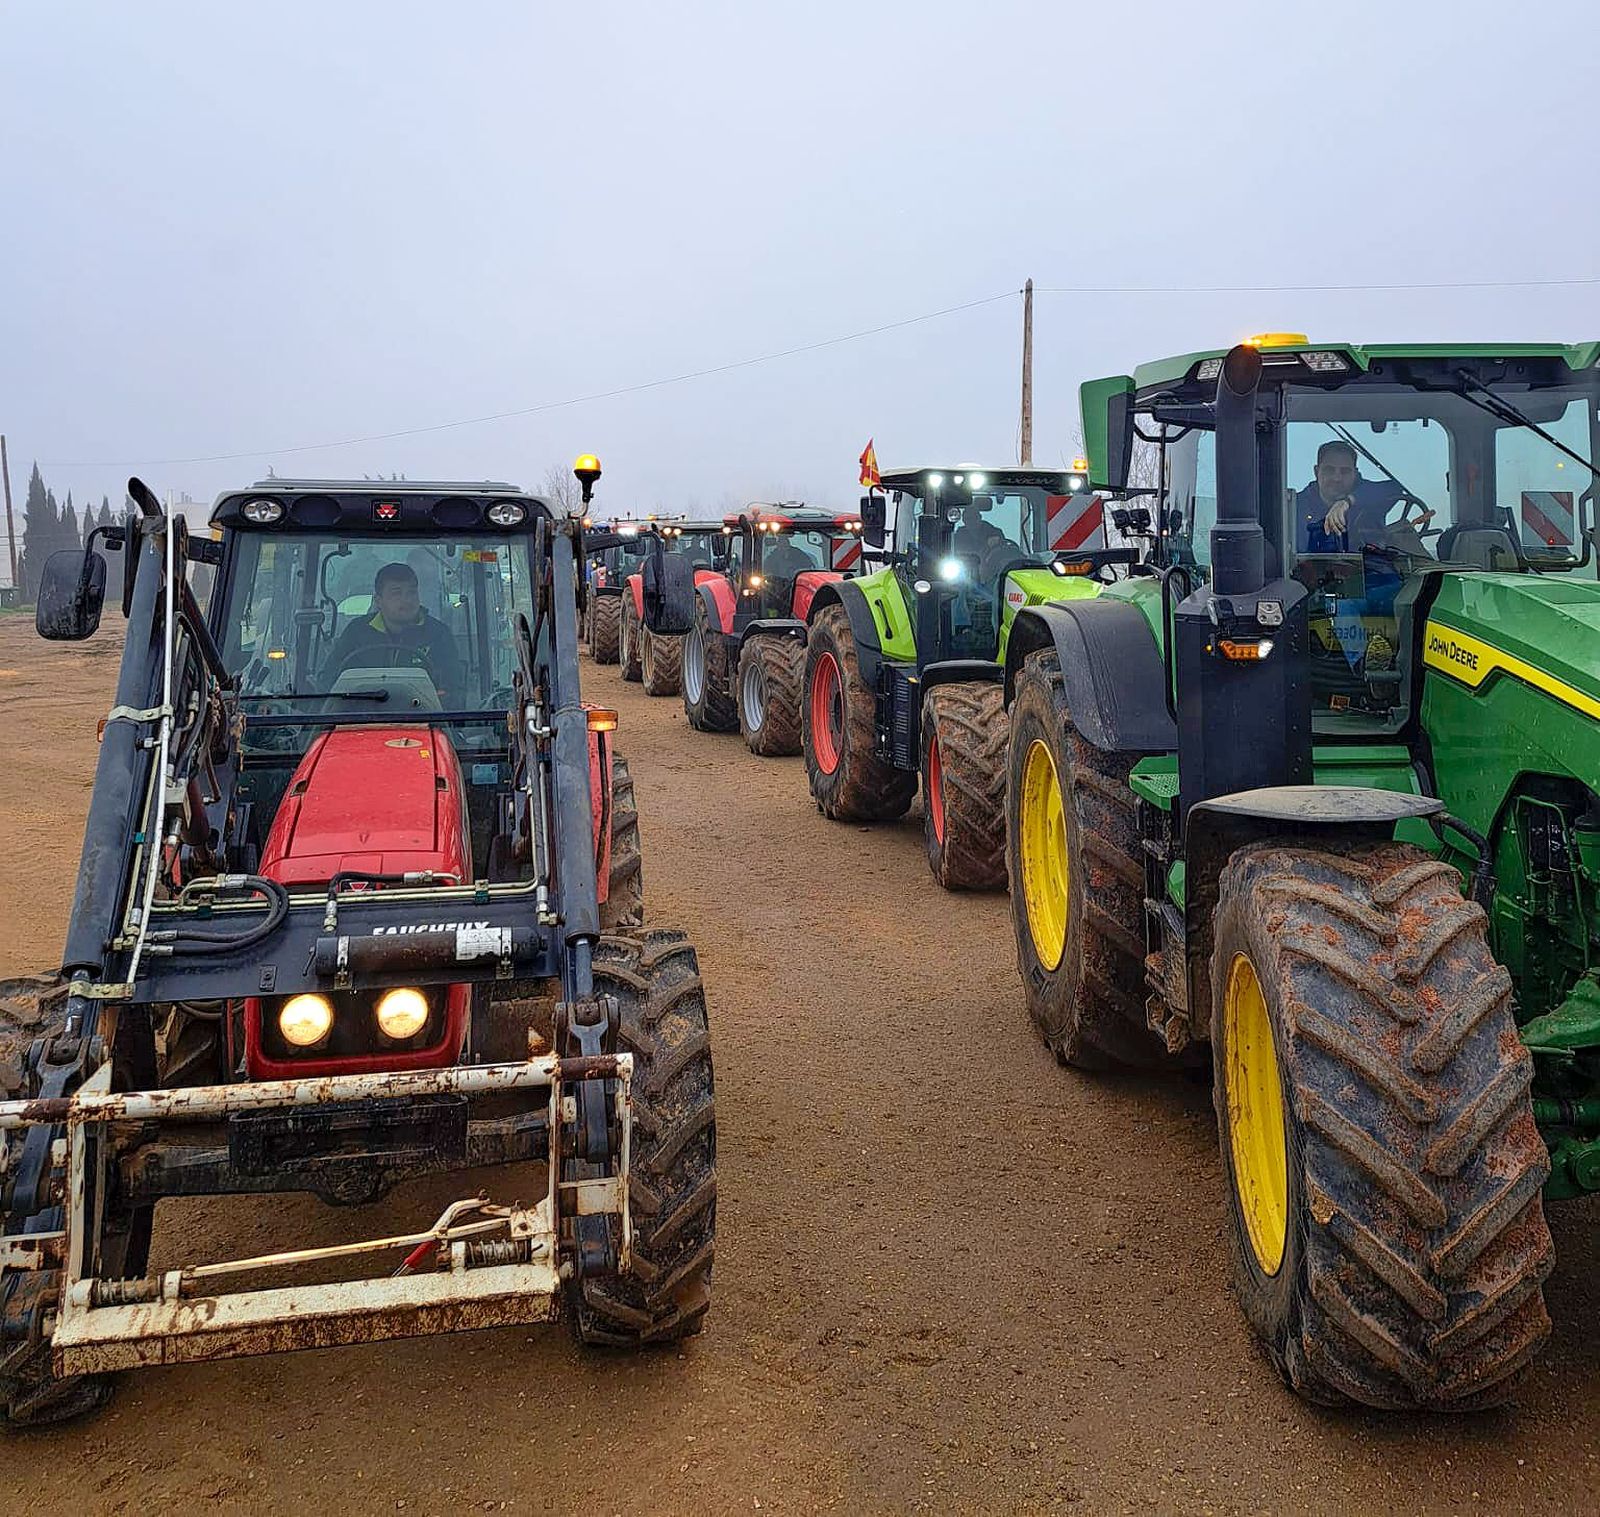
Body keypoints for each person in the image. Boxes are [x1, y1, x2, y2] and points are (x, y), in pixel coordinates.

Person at [321, 561, 464, 699]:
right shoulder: (356, 633)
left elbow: (452, 690)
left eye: (411, 592)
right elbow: (329, 684)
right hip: (361, 718)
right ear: (378, 601)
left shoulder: (438, 634)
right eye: (397, 593)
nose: (406, 600)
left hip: (423, 720)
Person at [1299, 439, 1405, 552]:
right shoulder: (1294, 507)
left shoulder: (1372, 495)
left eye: (1344, 471)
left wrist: (1348, 501)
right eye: (1329, 470)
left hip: (1368, 568)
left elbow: (1395, 489)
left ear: (1355, 473)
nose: (1337, 478)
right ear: (1316, 471)